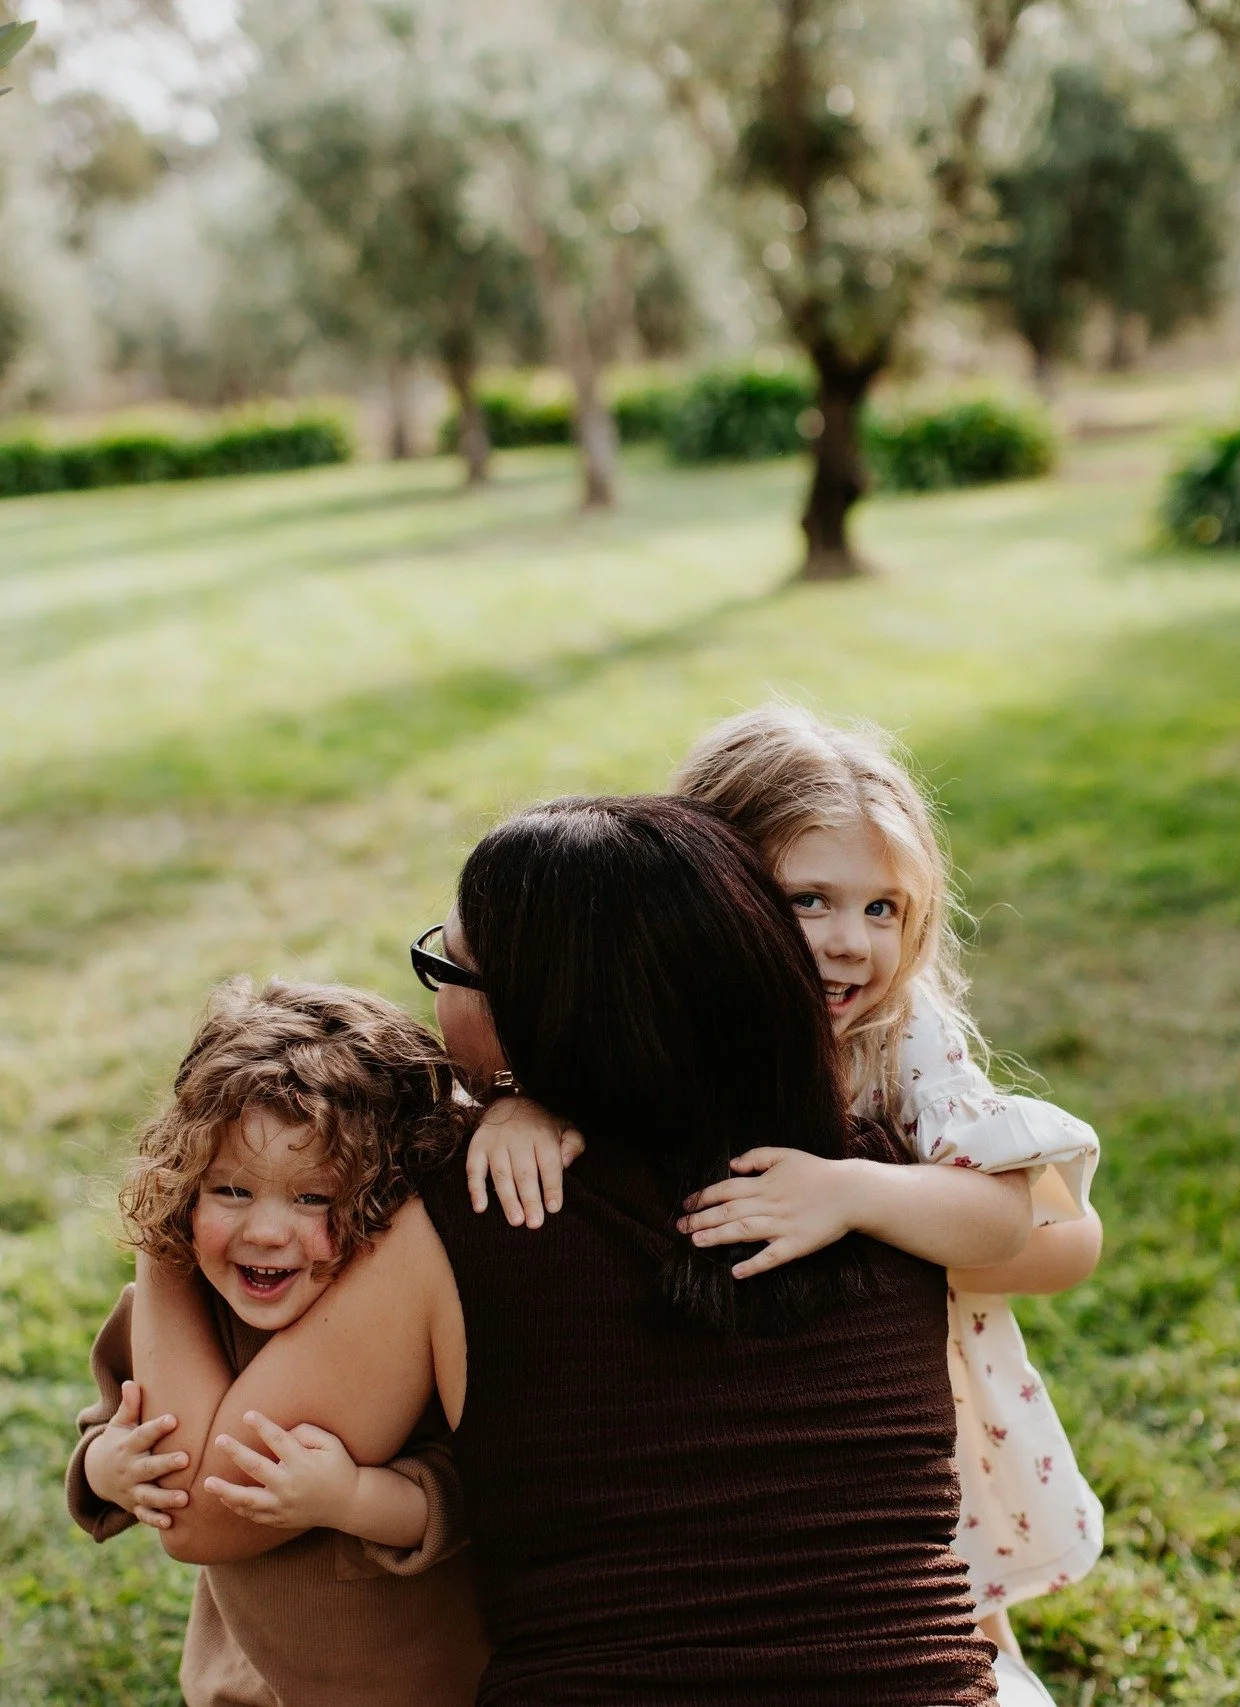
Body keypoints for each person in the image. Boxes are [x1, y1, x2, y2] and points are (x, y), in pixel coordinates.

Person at [130, 797, 1001, 1706]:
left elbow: (200, 1508)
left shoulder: (478, 1216)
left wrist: (168, 1222)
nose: (435, 996)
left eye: (449, 968)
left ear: (534, 1019)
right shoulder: (883, 1188)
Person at [469, 707, 1104, 1705]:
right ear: (707, 889)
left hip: (897, 1406)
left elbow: (1048, 1232)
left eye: (883, 909)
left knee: (937, 1572)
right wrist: (517, 1100)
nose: (851, 947)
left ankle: (984, 1664)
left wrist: (856, 1190)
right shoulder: (648, 1009)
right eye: (809, 900)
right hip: (694, 1449)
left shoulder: (898, 1043)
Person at [65, 978, 489, 1707]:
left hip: (404, 1686)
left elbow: (466, 1490)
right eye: (231, 1191)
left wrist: (352, 1496)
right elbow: (111, 1417)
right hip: (241, 1683)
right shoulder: (179, 1313)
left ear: (381, 1202)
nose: (265, 1232)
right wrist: (105, 1468)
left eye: (313, 1197)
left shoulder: (402, 1331)